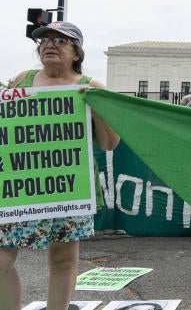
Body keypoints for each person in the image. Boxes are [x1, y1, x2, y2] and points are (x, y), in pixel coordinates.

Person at [0, 21, 120, 310]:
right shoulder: (22, 81)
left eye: (60, 41)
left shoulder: (90, 87)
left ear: (76, 53)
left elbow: (109, 144)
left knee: (63, 259)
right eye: (44, 41)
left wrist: (97, 106)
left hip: (69, 187)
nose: (49, 45)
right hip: (21, 186)